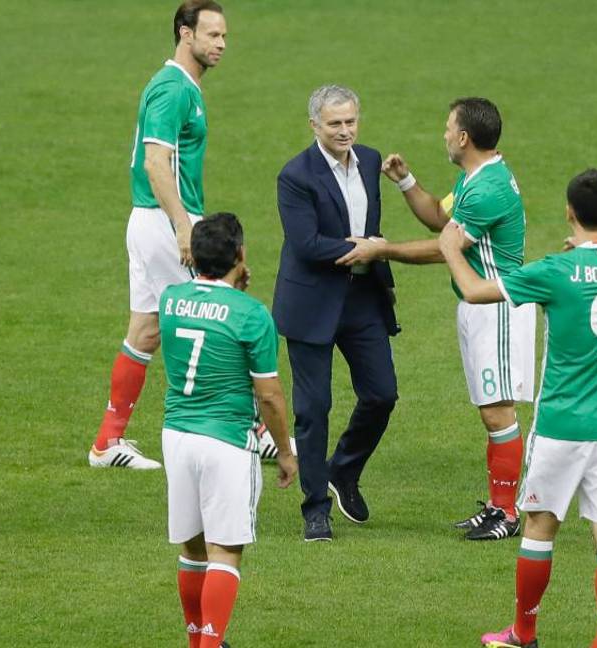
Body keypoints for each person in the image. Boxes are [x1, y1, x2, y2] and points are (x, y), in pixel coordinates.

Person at [438, 169, 597, 648]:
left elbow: (475, 291)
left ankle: (524, 633)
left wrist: (450, 248)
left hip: (561, 425)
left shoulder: (554, 271)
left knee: (539, 527)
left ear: (569, 212)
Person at [337, 98, 535, 540]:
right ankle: (499, 506)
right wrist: (406, 181)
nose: (444, 135)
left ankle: (506, 514)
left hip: (497, 309)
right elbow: (440, 220)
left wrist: (380, 249)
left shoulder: (487, 190)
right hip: (479, 306)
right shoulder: (476, 178)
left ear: (464, 137)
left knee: (498, 413)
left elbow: (444, 248)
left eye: (448, 128)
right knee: (491, 411)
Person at [88, 1, 233, 469]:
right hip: (165, 221)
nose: (221, 44)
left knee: (146, 330)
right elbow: (155, 163)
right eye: (212, 35)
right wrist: (184, 226)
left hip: (152, 221)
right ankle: (245, 429)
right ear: (185, 34)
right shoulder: (172, 89)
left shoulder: (182, 86)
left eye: (224, 36)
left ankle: (107, 443)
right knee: (210, 317)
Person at [160, 213, 298, 648]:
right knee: (225, 551)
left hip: (177, 435)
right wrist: (285, 452)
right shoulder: (252, 315)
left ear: (194, 256)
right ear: (240, 254)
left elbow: (207, 314)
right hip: (227, 441)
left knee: (192, 549)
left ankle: (197, 642)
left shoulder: (170, 299)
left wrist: (231, 288)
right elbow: (270, 396)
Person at [273, 85, 400, 542]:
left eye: (350, 121)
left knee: (382, 394)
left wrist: (375, 257)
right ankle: (315, 509)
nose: (345, 131)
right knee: (313, 409)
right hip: (312, 302)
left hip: (362, 298)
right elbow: (306, 244)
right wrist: (363, 248)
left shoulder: (370, 160)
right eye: (335, 124)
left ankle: (342, 470)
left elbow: (370, 225)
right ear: (314, 125)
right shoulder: (295, 176)